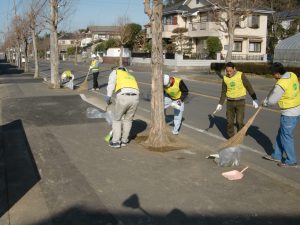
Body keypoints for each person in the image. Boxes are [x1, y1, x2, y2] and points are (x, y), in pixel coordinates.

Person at [262, 62, 300, 168]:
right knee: (281, 134)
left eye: (273, 74)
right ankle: (277, 155)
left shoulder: (281, 84)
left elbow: (273, 101)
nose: (273, 76)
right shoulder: (292, 75)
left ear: (277, 73)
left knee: (286, 136)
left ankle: (291, 160)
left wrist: (265, 102)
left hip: (289, 113)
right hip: (296, 109)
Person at [215, 62, 259, 138]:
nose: (229, 73)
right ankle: (231, 137)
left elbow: (248, 86)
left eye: (230, 71)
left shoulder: (240, 75)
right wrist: (220, 103)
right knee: (229, 122)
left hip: (240, 102)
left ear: (234, 69)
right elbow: (223, 91)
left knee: (239, 122)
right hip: (229, 103)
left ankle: (240, 135)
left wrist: (254, 98)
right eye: (227, 71)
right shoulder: (225, 78)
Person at [105, 66, 139, 148]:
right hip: (136, 97)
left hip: (123, 97)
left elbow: (111, 84)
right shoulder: (130, 75)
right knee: (128, 120)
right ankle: (124, 140)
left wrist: (108, 97)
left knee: (117, 119)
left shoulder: (115, 72)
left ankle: (116, 141)